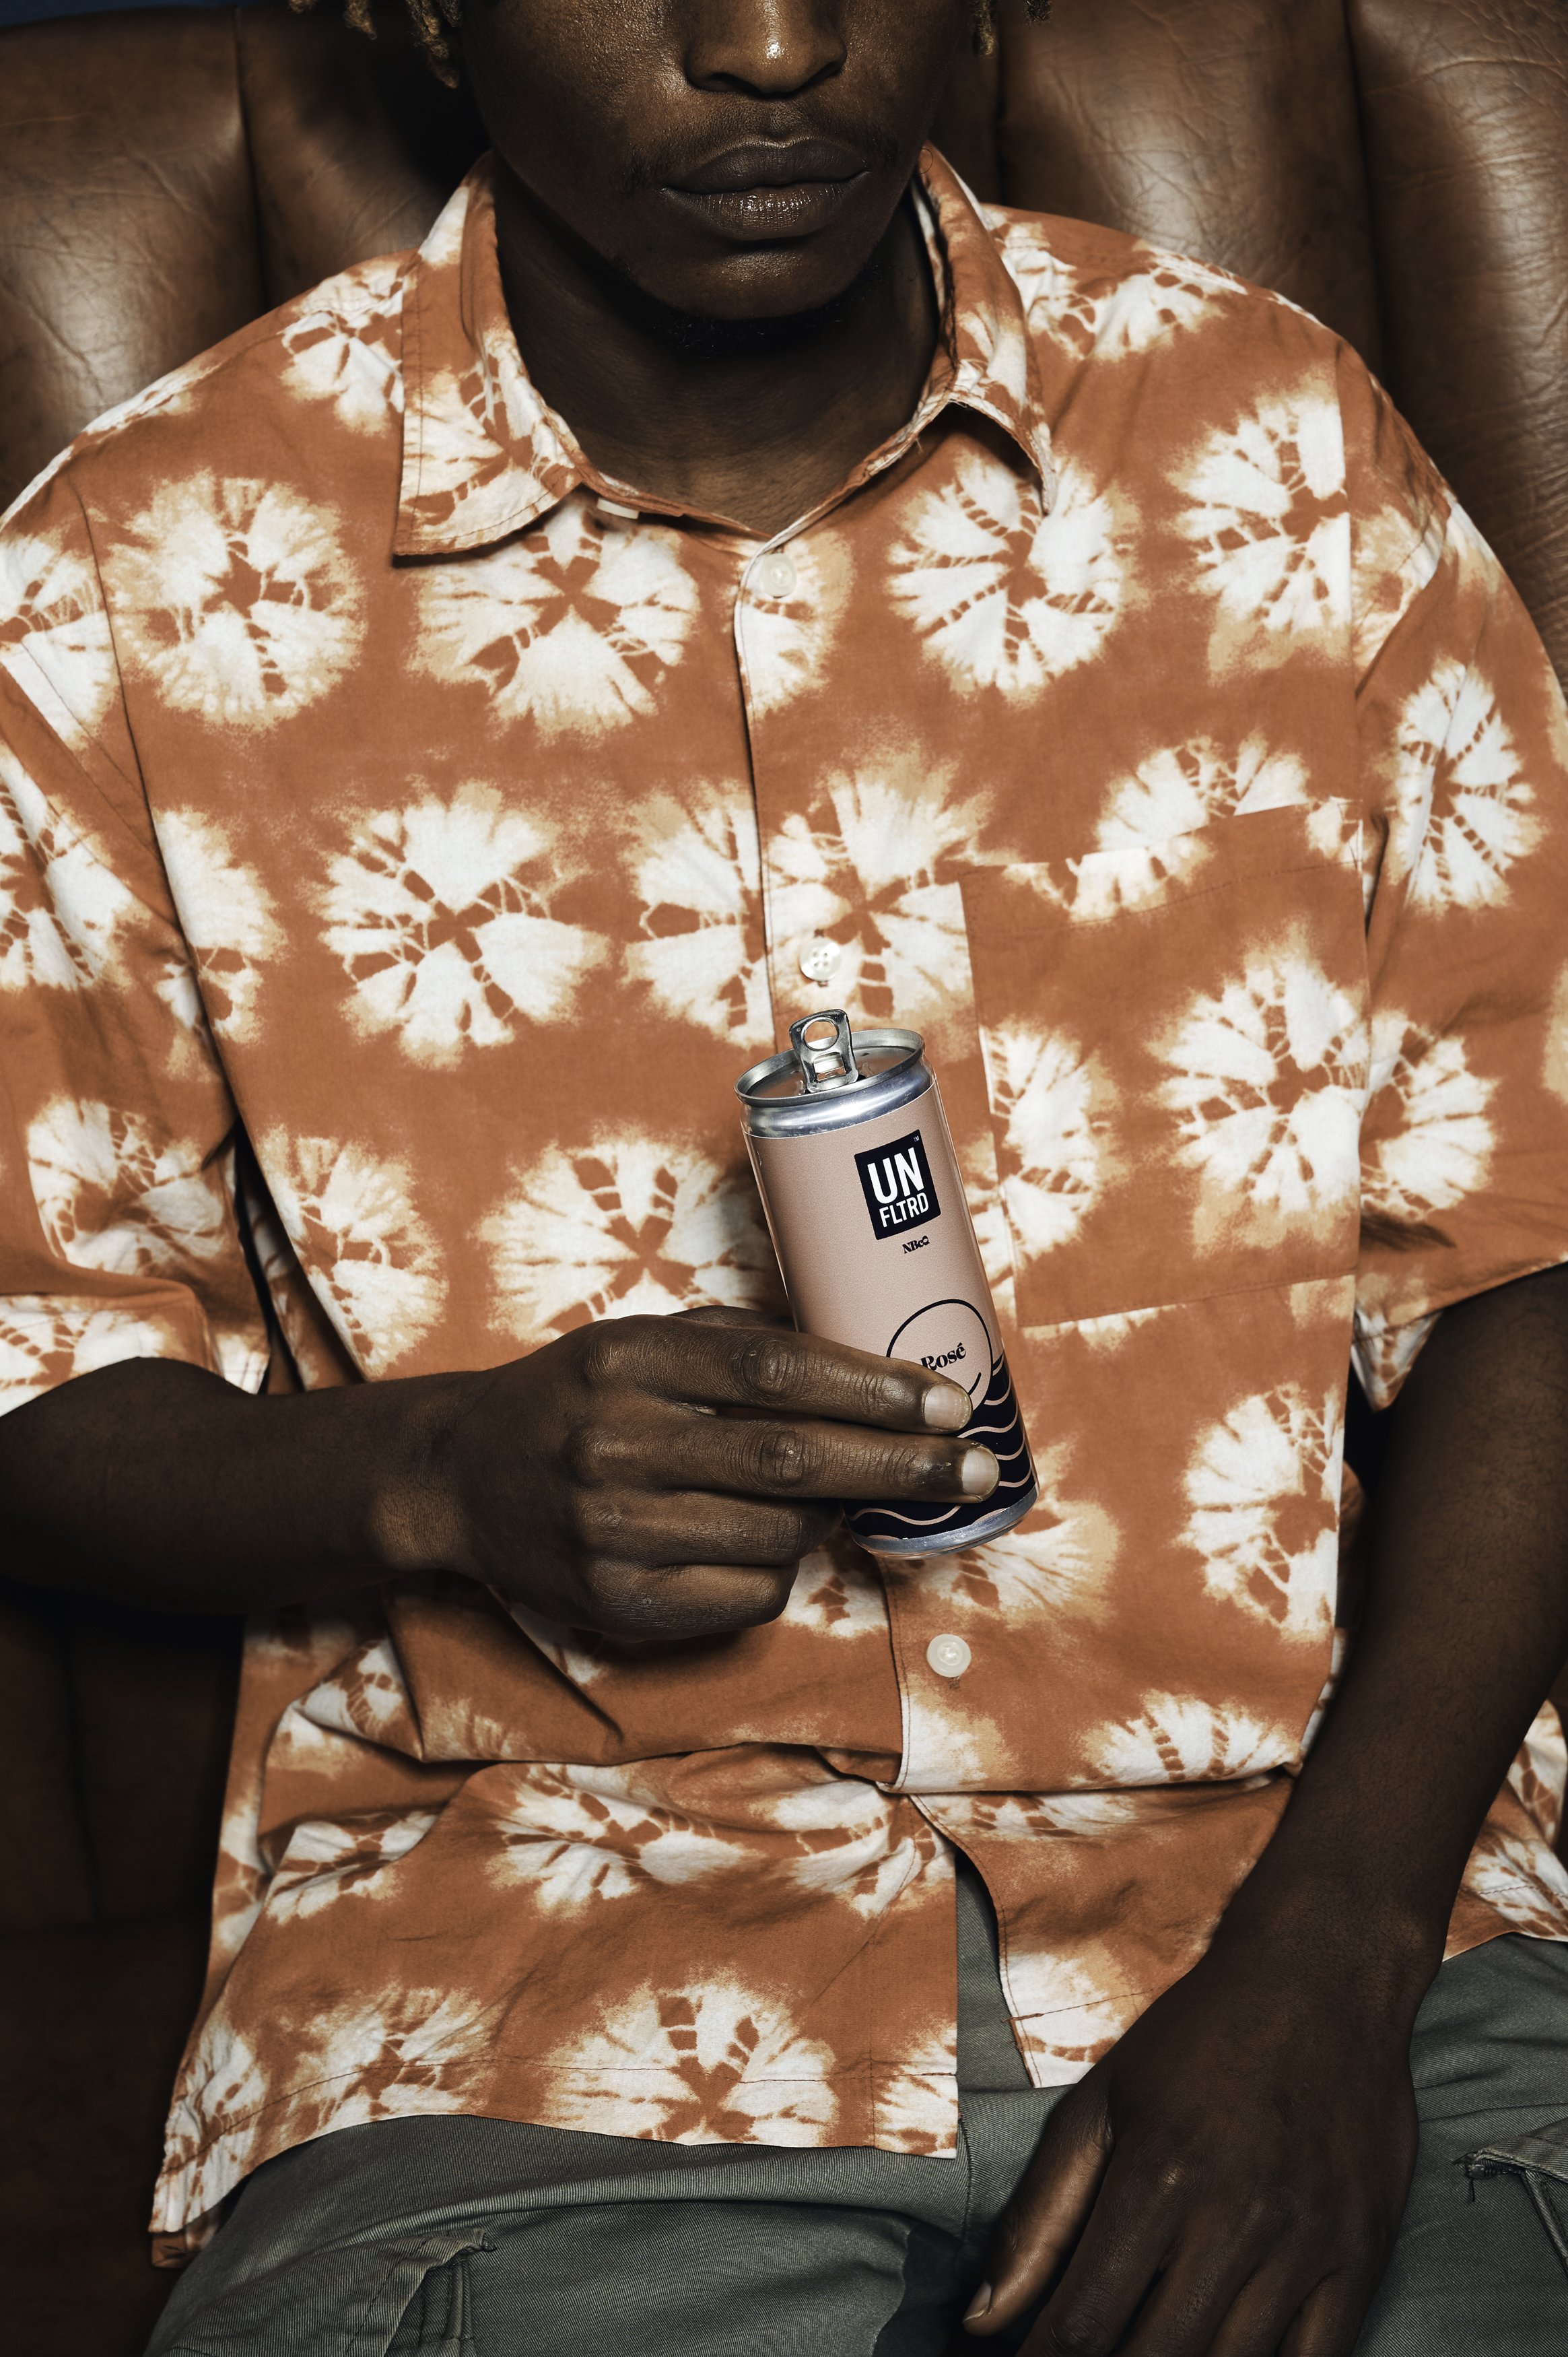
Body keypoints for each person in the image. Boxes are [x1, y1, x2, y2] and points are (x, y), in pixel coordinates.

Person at [4, 0, 1568, 2348]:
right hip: (530, 1988)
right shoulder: (132, 575)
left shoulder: (1269, 442)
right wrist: (440, 1473)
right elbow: (32, 1369)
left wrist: (1338, 1957)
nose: (769, 45)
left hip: (1337, 1901)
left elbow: (1532, 1241)